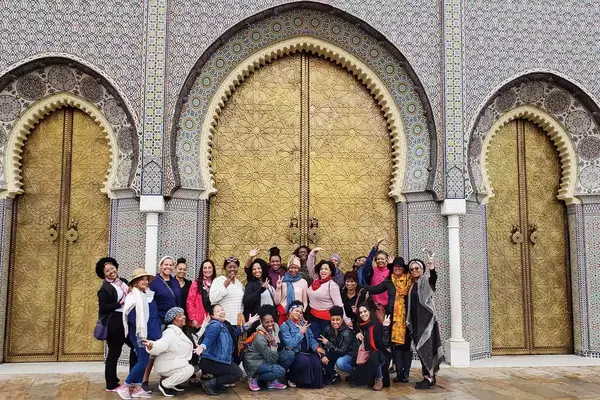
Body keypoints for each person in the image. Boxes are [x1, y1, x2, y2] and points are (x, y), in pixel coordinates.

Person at [361, 256, 413, 383]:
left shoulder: (410, 281)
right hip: (392, 318)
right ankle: (399, 373)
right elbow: (375, 289)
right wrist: (361, 285)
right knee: (395, 346)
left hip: (406, 318)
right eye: (395, 267)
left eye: (399, 267)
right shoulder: (389, 281)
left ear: (404, 269)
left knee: (405, 346)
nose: (397, 269)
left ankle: (406, 373)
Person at [116, 268, 161, 400]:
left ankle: (137, 388)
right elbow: (131, 318)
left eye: (146, 279)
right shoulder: (132, 297)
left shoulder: (141, 295)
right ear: (135, 282)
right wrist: (142, 332)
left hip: (143, 333)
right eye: (142, 279)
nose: (145, 281)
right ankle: (126, 386)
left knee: (144, 360)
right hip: (138, 334)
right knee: (143, 361)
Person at [194, 304, 259, 395]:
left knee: (230, 370)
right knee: (237, 374)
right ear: (212, 316)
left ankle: (218, 385)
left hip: (219, 359)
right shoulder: (215, 325)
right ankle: (209, 384)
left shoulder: (224, 324)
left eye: (222, 309)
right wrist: (202, 346)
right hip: (212, 360)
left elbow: (236, 332)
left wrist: (249, 323)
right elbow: (209, 338)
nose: (221, 312)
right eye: (218, 311)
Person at [96, 257, 137, 392]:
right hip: (115, 321)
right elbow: (103, 308)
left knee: (135, 347)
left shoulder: (123, 282)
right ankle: (111, 383)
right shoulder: (105, 289)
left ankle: (133, 378)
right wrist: (119, 304)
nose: (111, 272)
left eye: (112, 268)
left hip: (126, 319)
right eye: (107, 271)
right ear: (103, 274)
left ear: (116, 268)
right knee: (114, 352)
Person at [144, 256, 182, 391]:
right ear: (160, 266)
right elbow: (149, 302)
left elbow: (178, 301)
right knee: (155, 350)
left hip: (174, 321)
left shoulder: (175, 281)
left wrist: (180, 317)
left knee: (171, 350)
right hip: (159, 320)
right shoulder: (154, 282)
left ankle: (166, 380)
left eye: (171, 265)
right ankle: (145, 380)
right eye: (165, 265)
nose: (168, 267)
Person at [406, 257, 443, 390]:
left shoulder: (426, 281)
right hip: (416, 321)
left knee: (426, 348)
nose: (414, 270)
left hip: (426, 322)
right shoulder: (413, 284)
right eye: (412, 269)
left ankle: (428, 377)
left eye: (417, 268)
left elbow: (433, 280)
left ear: (422, 269)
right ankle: (429, 376)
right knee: (421, 348)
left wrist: (432, 267)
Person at [143, 307, 195, 397]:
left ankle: (172, 385)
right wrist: (152, 345)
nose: (184, 317)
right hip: (166, 365)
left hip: (174, 362)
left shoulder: (179, 331)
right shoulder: (169, 333)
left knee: (194, 366)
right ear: (173, 320)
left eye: (183, 315)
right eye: (180, 316)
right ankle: (164, 385)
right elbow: (162, 344)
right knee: (188, 370)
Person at [243, 305, 293, 391]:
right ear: (262, 322)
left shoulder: (276, 328)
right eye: (267, 322)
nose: (270, 324)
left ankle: (271, 380)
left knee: (289, 354)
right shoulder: (260, 337)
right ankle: (254, 378)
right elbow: (272, 360)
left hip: (268, 357)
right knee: (280, 371)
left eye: (271, 321)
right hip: (255, 362)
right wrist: (273, 346)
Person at [280, 301, 327, 388]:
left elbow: (310, 338)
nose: (299, 314)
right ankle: (292, 378)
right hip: (295, 353)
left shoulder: (303, 324)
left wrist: (317, 347)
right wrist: (301, 332)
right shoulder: (285, 326)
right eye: (296, 311)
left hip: (307, 351)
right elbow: (290, 344)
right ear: (290, 311)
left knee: (316, 361)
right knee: (305, 361)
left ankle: (314, 385)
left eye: (301, 312)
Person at [306, 248, 352, 337]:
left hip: (325, 318)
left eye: (326, 269)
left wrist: (346, 319)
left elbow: (338, 304)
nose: (323, 271)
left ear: (330, 271)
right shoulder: (316, 279)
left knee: (323, 340)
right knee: (313, 338)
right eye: (322, 269)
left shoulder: (332, 285)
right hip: (312, 315)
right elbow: (310, 266)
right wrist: (312, 253)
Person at [209, 257, 245, 363]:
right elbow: (213, 299)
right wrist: (226, 283)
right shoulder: (218, 280)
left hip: (237, 323)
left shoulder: (239, 283)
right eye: (229, 267)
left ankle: (232, 376)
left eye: (234, 266)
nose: (232, 269)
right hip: (224, 323)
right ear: (225, 268)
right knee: (224, 350)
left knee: (235, 352)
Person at [352, 303, 391, 391]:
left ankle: (379, 378)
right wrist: (357, 333)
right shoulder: (361, 325)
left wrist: (385, 328)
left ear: (370, 311)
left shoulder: (376, 325)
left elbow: (384, 343)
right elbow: (356, 327)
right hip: (366, 355)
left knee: (374, 354)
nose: (363, 314)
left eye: (365, 311)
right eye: (361, 312)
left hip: (380, 355)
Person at [318, 306, 354, 384]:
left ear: (341, 320)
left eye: (337, 320)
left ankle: (355, 373)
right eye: (333, 320)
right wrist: (323, 355)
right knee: (323, 358)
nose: (335, 322)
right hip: (334, 351)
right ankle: (334, 375)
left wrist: (328, 344)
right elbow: (321, 342)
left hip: (347, 354)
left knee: (340, 363)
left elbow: (342, 351)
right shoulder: (328, 328)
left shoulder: (347, 333)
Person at [273, 255, 308, 324]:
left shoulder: (303, 282)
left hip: (296, 314)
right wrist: (278, 288)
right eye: (291, 268)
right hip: (282, 312)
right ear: (288, 268)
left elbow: (305, 302)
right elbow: (276, 302)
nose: (293, 270)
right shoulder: (283, 280)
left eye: (296, 268)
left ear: (299, 269)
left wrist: (301, 312)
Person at [243, 258, 274, 327]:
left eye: (259, 268)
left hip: (271, 321)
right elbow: (246, 301)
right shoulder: (251, 284)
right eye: (254, 269)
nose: (257, 271)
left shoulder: (269, 283)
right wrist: (261, 290)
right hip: (259, 323)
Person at [187, 259, 216, 330]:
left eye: (209, 267)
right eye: (205, 268)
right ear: (201, 270)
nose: (207, 270)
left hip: (215, 319)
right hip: (199, 320)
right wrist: (193, 319)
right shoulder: (196, 284)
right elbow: (190, 302)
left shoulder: (217, 283)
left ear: (213, 269)